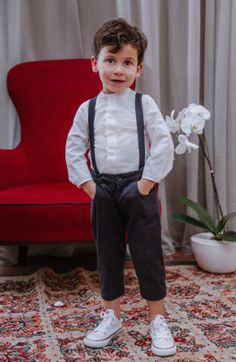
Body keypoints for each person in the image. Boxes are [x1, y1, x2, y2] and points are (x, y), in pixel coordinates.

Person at [66, 18, 176, 357]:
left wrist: (145, 184)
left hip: (137, 187)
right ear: (95, 63)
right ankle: (111, 315)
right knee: (108, 253)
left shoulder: (144, 105)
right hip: (102, 191)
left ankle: (157, 318)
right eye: (111, 61)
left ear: (138, 68)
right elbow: (74, 147)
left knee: (147, 254)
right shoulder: (89, 109)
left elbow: (162, 144)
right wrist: (88, 186)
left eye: (127, 63)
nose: (118, 69)